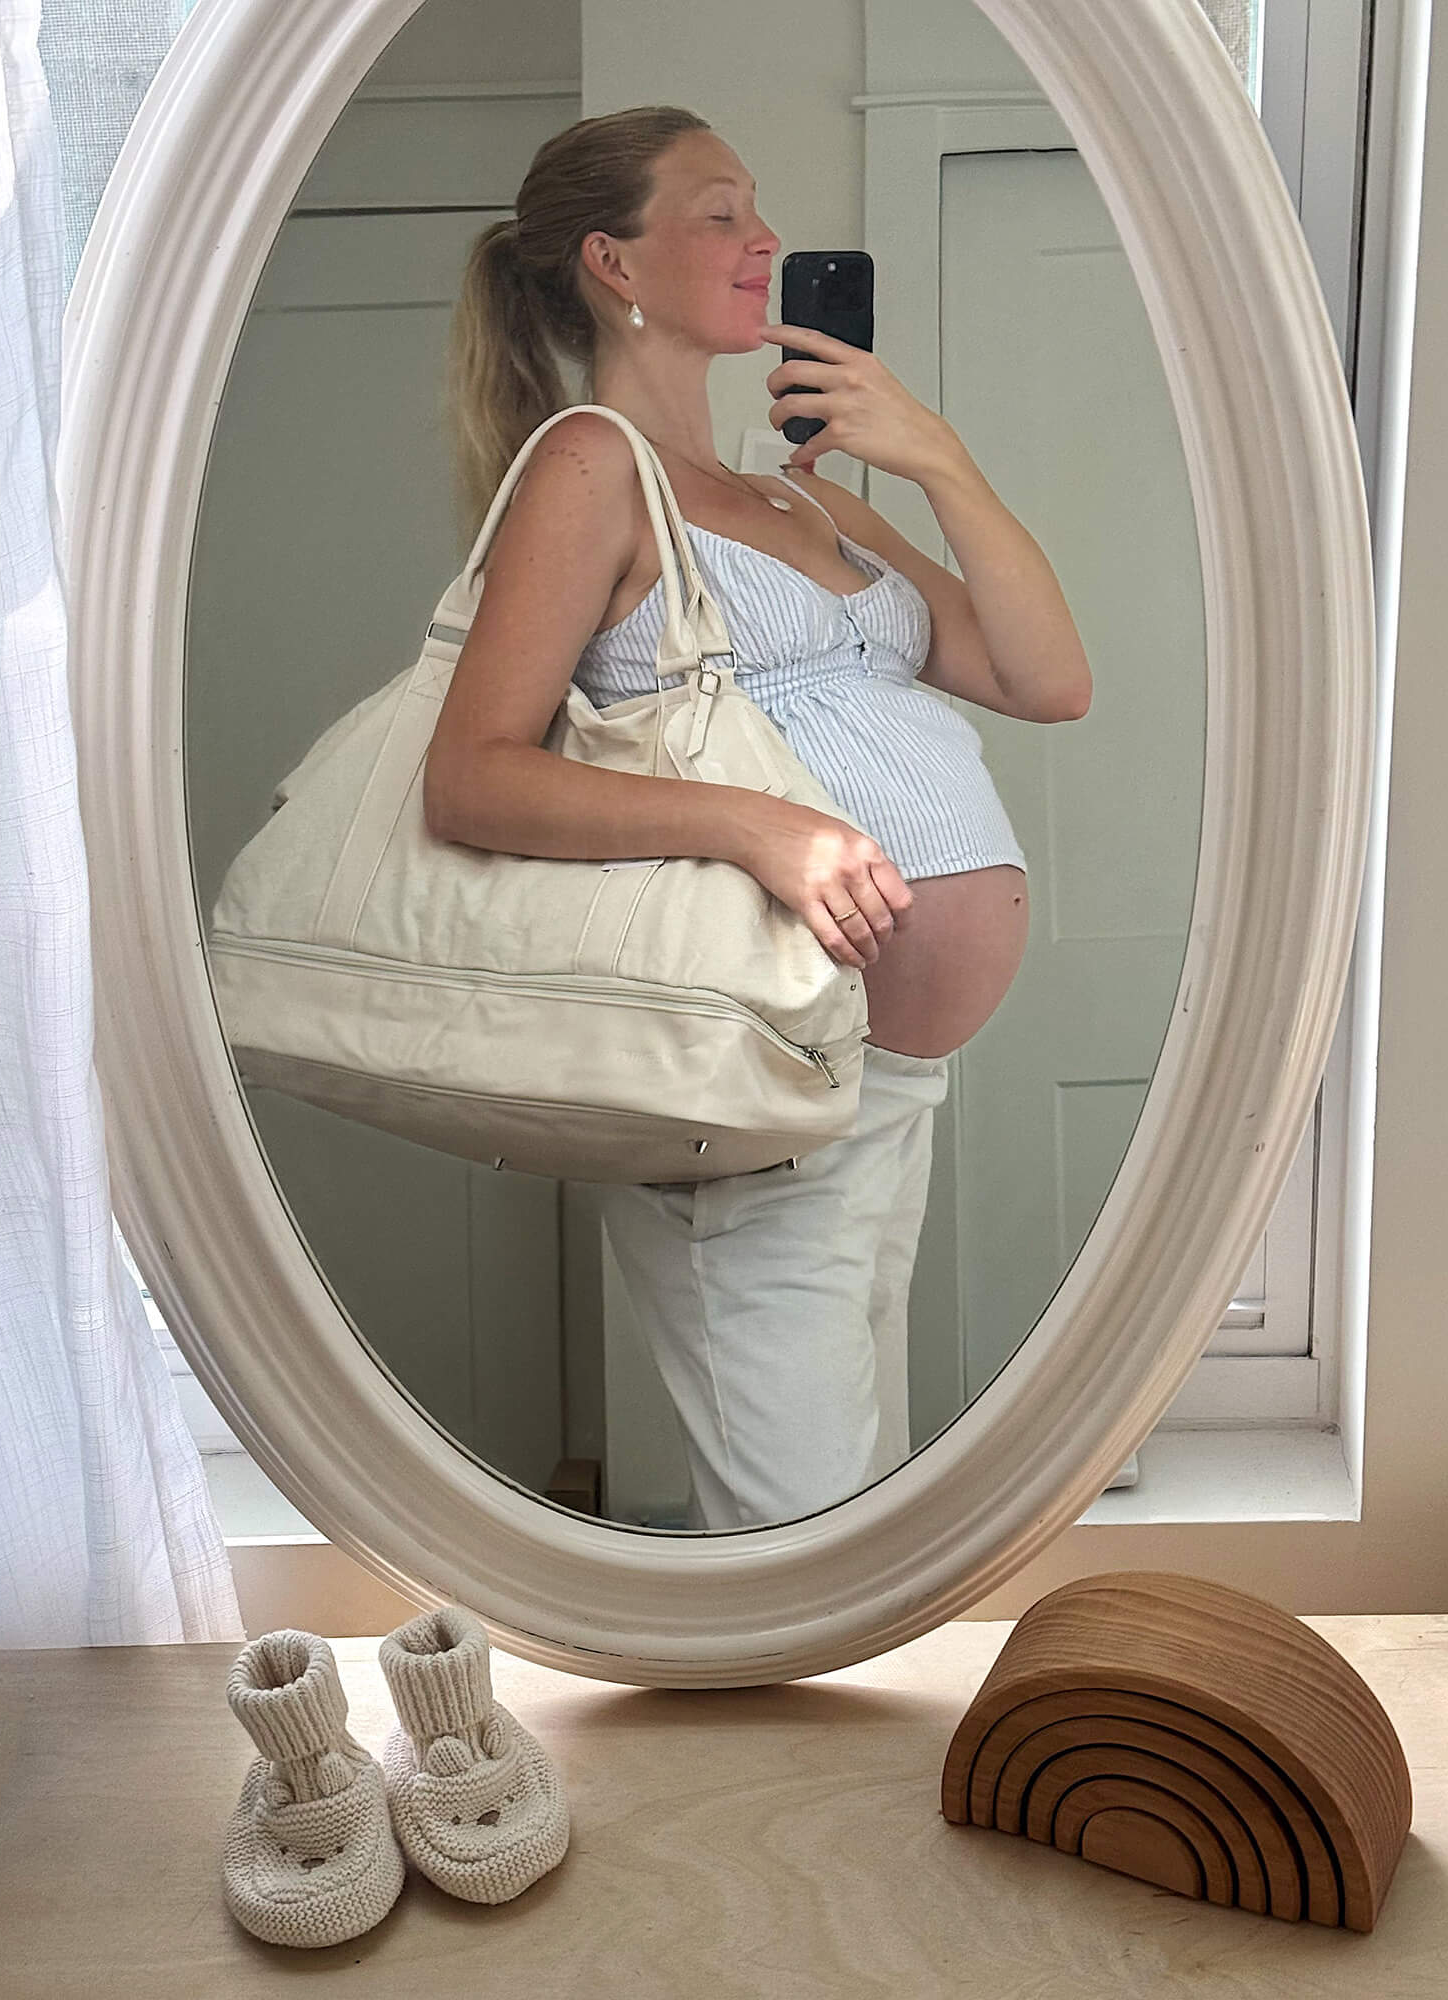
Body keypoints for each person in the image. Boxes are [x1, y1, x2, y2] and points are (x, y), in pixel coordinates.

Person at [428, 106, 1091, 1530]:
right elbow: (472, 774)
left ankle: (843, 1757)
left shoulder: (795, 497)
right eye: (719, 213)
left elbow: (1050, 678)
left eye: (758, 210)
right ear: (615, 262)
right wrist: (762, 828)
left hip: (882, 1092)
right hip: (750, 1103)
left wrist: (938, 460)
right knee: (804, 1551)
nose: (765, 242)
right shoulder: (591, 470)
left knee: (852, 1529)